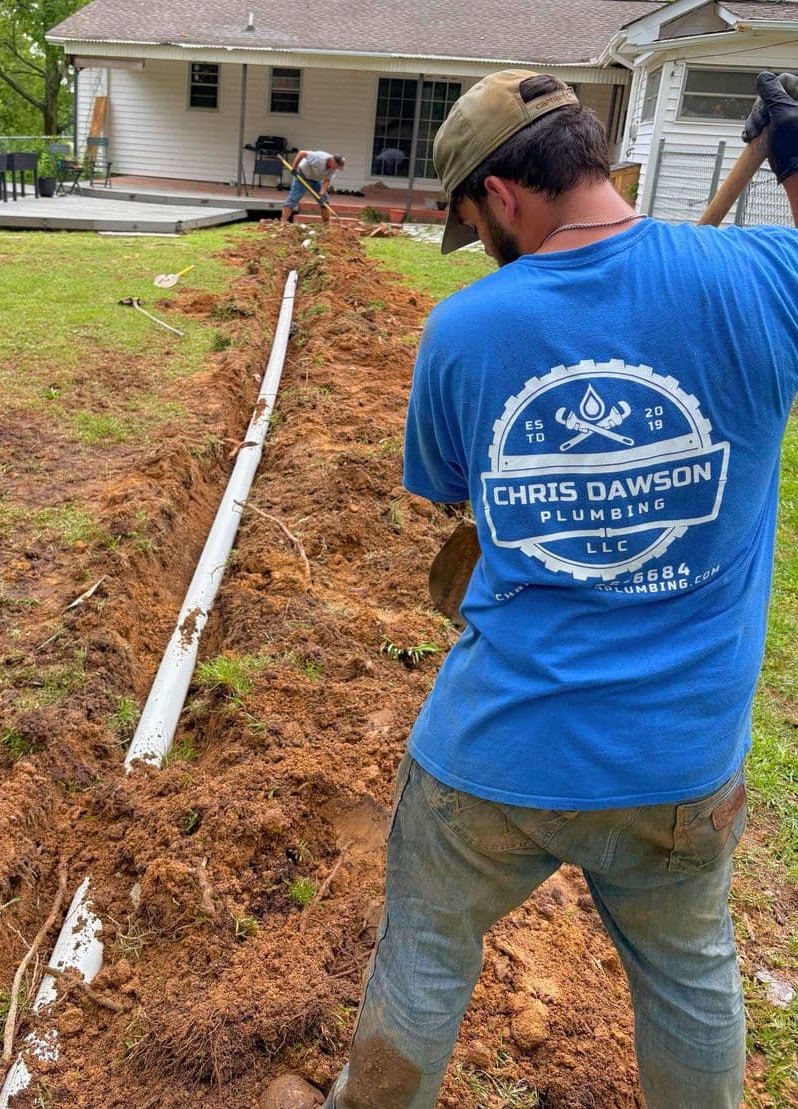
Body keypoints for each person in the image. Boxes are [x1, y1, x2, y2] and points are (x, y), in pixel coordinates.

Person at [318, 69, 798, 1108]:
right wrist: (793, 156)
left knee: (424, 956)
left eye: (474, 225)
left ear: (500, 195)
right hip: (675, 765)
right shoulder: (762, 279)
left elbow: (456, 496)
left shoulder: (465, 331)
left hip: (492, 757)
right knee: (689, 979)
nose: (484, 248)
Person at [281, 149, 345, 223]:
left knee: (324, 200)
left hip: (316, 180)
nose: (336, 169)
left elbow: (327, 181)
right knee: (294, 197)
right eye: (337, 167)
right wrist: (294, 168)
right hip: (302, 176)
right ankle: (283, 221)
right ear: (333, 162)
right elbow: (301, 153)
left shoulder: (333, 168)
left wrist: (321, 194)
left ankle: (326, 225)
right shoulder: (319, 158)